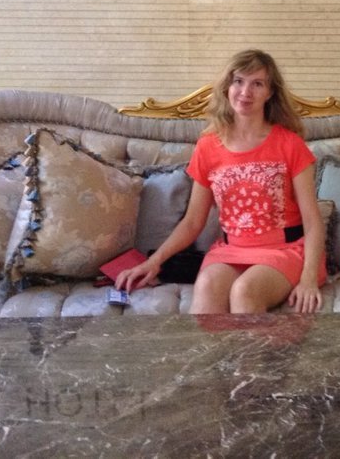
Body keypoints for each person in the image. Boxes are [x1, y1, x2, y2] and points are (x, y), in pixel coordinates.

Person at [115, 49, 327, 314]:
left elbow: (313, 221)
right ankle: (208, 345)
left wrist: (308, 279)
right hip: (231, 249)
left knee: (244, 290)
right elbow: (193, 222)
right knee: (206, 284)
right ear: (227, 87)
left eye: (257, 84)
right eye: (238, 81)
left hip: (285, 250)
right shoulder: (207, 147)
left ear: (270, 92)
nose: (245, 92)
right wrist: (154, 261)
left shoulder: (290, 144)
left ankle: (252, 345)